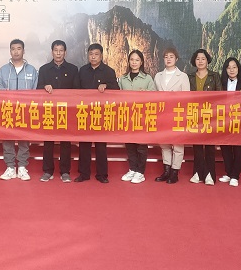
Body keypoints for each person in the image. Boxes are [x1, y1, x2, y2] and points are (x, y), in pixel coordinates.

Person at [0, 39, 38, 181]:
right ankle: (10, 167)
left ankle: (23, 167)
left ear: (23, 51)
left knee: (24, 139)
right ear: (10, 51)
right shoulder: (3, 70)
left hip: (25, 111)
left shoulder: (31, 70)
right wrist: (6, 92)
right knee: (8, 139)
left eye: (19, 48)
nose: (16, 51)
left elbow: (37, 90)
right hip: (8, 109)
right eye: (13, 49)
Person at [37, 40, 80, 182]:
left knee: (65, 142)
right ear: (52, 52)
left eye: (61, 50)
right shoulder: (44, 69)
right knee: (48, 142)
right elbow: (38, 89)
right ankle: (47, 171)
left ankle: (65, 171)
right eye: (56, 50)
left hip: (66, 111)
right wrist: (44, 87)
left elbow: (77, 91)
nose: (58, 53)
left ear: (65, 52)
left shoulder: (73, 69)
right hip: (49, 110)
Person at [76, 43, 119, 183]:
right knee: (84, 145)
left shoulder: (108, 71)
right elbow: (75, 90)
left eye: (96, 54)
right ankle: (84, 173)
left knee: (101, 145)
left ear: (101, 56)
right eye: (91, 54)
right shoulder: (82, 70)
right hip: (84, 112)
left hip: (101, 113)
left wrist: (107, 86)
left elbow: (117, 90)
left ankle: (102, 174)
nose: (93, 57)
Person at [117, 49, 156, 184]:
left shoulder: (147, 78)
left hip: (142, 117)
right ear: (129, 61)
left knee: (141, 146)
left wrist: (147, 93)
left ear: (141, 62)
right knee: (130, 145)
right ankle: (132, 169)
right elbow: (117, 96)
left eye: (137, 60)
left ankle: (140, 172)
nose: (134, 62)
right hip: (127, 116)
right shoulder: (123, 79)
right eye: (132, 60)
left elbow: (156, 97)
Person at [153, 47, 190, 184]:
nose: (168, 59)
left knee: (178, 144)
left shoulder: (183, 76)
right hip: (162, 114)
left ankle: (175, 172)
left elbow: (187, 98)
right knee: (164, 144)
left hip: (177, 114)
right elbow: (154, 96)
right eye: (166, 57)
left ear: (176, 59)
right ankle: (166, 171)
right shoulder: (158, 76)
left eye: (171, 57)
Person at [188, 49, 222, 186]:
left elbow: (220, 95)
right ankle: (197, 172)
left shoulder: (215, 76)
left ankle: (209, 174)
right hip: (194, 113)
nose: (200, 61)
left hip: (210, 114)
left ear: (207, 60)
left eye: (203, 58)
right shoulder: (189, 76)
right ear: (194, 61)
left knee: (209, 146)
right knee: (196, 145)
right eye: (198, 59)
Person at [219, 57, 241, 187]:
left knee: (238, 149)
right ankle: (229, 172)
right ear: (225, 69)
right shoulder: (220, 83)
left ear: (238, 69)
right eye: (229, 67)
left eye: (234, 67)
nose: (231, 70)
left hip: (238, 120)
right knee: (225, 147)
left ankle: (235, 175)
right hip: (223, 119)